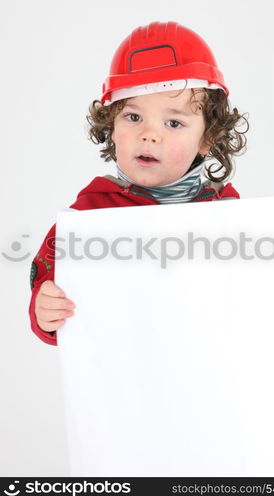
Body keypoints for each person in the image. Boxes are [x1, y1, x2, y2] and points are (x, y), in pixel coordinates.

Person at [29, 21, 249, 346]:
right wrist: (45, 310)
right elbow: (48, 282)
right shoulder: (87, 216)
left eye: (173, 122)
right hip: (122, 383)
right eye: (133, 117)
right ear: (112, 126)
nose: (149, 134)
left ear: (207, 138)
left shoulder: (229, 214)